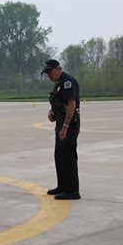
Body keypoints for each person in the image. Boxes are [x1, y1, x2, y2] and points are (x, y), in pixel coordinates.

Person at [42, 59, 81, 200]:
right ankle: (63, 186)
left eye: (49, 72)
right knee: (59, 156)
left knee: (68, 157)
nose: (49, 76)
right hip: (61, 123)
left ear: (58, 69)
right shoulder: (59, 84)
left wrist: (65, 127)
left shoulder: (67, 82)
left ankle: (72, 190)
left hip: (69, 125)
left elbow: (71, 104)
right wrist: (52, 112)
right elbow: (60, 103)